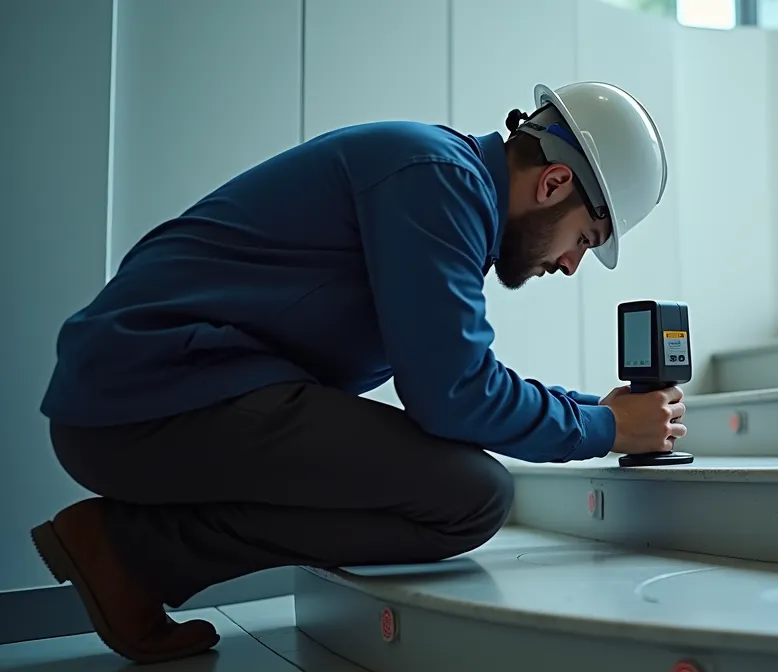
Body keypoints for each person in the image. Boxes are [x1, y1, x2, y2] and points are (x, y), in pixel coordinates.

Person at [29, 81, 683, 664]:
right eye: (583, 242)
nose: (569, 266)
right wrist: (603, 426)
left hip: (148, 391)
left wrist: (602, 412)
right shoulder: (438, 181)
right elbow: (454, 394)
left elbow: (458, 374)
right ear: (554, 185)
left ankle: (130, 550)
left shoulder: (441, 180)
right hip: (144, 397)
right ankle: (127, 550)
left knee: (460, 484)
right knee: (470, 495)